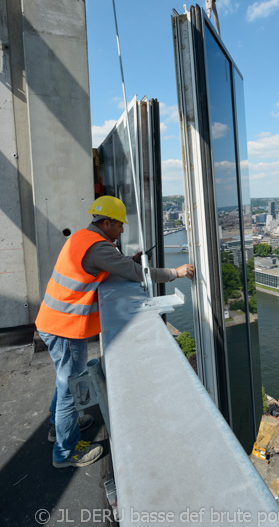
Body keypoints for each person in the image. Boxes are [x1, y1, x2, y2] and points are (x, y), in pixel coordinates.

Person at [36, 195, 194, 469]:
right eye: (119, 225)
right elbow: (135, 272)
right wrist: (174, 273)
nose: (122, 229)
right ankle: (65, 452)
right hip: (66, 328)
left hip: (54, 322)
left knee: (64, 382)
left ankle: (56, 426)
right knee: (69, 389)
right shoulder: (99, 248)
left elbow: (97, 267)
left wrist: (121, 261)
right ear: (106, 223)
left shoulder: (82, 237)